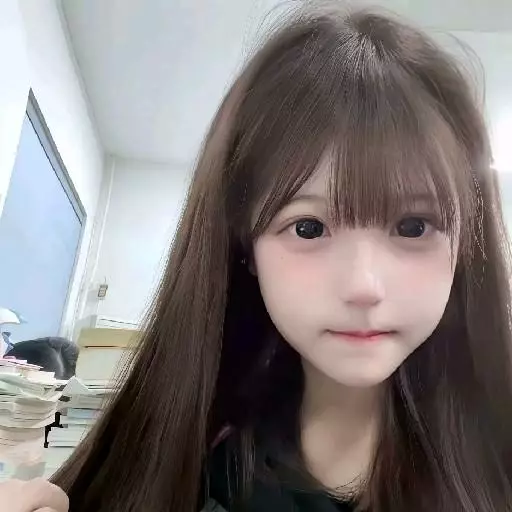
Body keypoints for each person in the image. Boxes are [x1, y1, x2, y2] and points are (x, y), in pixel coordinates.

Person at [4, 4, 512, 511]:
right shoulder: (180, 466)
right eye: (309, 228)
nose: (364, 285)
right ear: (246, 247)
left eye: (413, 226)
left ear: (466, 243)